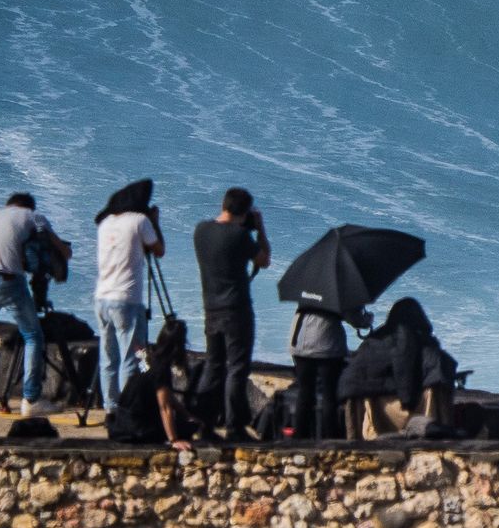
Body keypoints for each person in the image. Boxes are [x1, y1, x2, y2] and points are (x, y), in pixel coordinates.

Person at [0, 192, 63, 414]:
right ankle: (31, 400)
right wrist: (64, 254)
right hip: (8, 281)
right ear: (29, 206)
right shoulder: (33, 216)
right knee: (33, 335)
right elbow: (54, 246)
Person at [191, 188, 270, 438]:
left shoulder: (201, 231)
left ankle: (204, 424)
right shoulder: (240, 237)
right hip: (236, 310)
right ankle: (235, 426)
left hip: (210, 308)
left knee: (214, 366)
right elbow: (264, 260)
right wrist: (260, 229)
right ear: (245, 211)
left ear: (224, 204)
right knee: (237, 368)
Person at [92, 186, 165, 411]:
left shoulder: (105, 223)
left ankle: (111, 407)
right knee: (131, 357)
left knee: (108, 358)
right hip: (127, 299)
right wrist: (154, 223)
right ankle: (129, 409)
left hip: (101, 298)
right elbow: (158, 250)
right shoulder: (139, 221)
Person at [341, 297, 455, 438]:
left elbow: (351, 380)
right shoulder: (429, 347)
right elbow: (442, 374)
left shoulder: (372, 344)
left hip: (380, 416)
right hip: (423, 411)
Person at [106, 315, 196, 448]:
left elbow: (167, 395)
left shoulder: (150, 358)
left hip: (121, 424)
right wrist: (174, 440)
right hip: (136, 429)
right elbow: (165, 407)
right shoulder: (162, 369)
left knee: (187, 421)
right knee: (190, 427)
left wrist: (186, 414)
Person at [285, 297, 359, 440]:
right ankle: (331, 439)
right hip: (326, 345)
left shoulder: (307, 284)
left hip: (299, 340)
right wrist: (366, 320)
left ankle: (299, 438)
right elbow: (354, 318)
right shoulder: (338, 288)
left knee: (305, 392)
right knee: (329, 394)